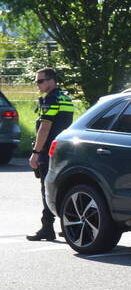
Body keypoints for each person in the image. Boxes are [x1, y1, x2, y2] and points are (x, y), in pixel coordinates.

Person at [26, 68, 74, 241]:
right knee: (61, 188)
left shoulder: (51, 99)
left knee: (46, 189)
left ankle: (47, 228)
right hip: (63, 150)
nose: (38, 84)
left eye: (40, 81)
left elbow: (45, 127)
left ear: (51, 81)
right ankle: (69, 225)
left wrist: (36, 153)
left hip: (49, 152)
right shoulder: (64, 97)